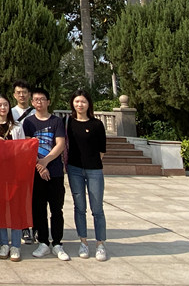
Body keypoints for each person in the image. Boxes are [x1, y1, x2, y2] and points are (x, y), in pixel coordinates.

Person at [23, 87, 69, 261]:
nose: (39, 102)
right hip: (35, 172)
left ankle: (57, 243)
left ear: (48, 102)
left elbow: (60, 144)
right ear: (32, 102)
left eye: (42, 99)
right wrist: (39, 165)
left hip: (55, 171)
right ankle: (42, 241)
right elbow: (28, 145)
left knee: (56, 209)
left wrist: (45, 162)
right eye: (36, 99)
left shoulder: (56, 121)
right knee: (39, 208)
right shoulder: (29, 122)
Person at [66, 89, 108, 262]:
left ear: (89, 104)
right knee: (79, 207)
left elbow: (101, 150)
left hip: (94, 170)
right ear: (72, 103)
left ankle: (100, 244)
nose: (80, 104)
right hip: (74, 169)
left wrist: (91, 163)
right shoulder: (68, 122)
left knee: (97, 208)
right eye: (77, 101)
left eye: (83, 101)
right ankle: (83, 242)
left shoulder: (97, 124)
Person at [0, 93, 23, 261]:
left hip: (13, 172)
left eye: (5, 105)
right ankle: (3, 243)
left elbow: (22, 149)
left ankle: (15, 245)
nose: (3, 108)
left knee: (15, 209)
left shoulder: (17, 127)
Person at [10, 79, 35, 245]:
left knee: (31, 196)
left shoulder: (35, 113)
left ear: (29, 94)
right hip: (14, 161)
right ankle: (17, 226)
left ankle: (30, 226)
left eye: (24, 92)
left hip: (32, 159)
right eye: (18, 92)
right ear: (14, 95)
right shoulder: (10, 112)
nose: (21, 95)